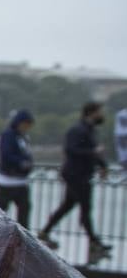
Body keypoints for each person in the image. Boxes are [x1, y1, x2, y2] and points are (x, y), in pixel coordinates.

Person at [37, 100, 109, 254]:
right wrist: (94, 154)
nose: (102, 115)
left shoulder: (89, 130)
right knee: (85, 208)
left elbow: (91, 151)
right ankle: (94, 242)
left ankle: (45, 231)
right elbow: (72, 150)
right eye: (100, 112)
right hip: (76, 175)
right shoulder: (78, 130)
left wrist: (103, 165)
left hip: (80, 174)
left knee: (68, 206)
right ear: (91, 112)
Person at [0, 109, 34, 228]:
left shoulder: (22, 137)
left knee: (24, 211)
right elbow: (6, 154)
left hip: (21, 181)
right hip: (8, 180)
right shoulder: (8, 135)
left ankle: (24, 238)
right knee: (0, 211)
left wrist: (28, 163)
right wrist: (21, 162)